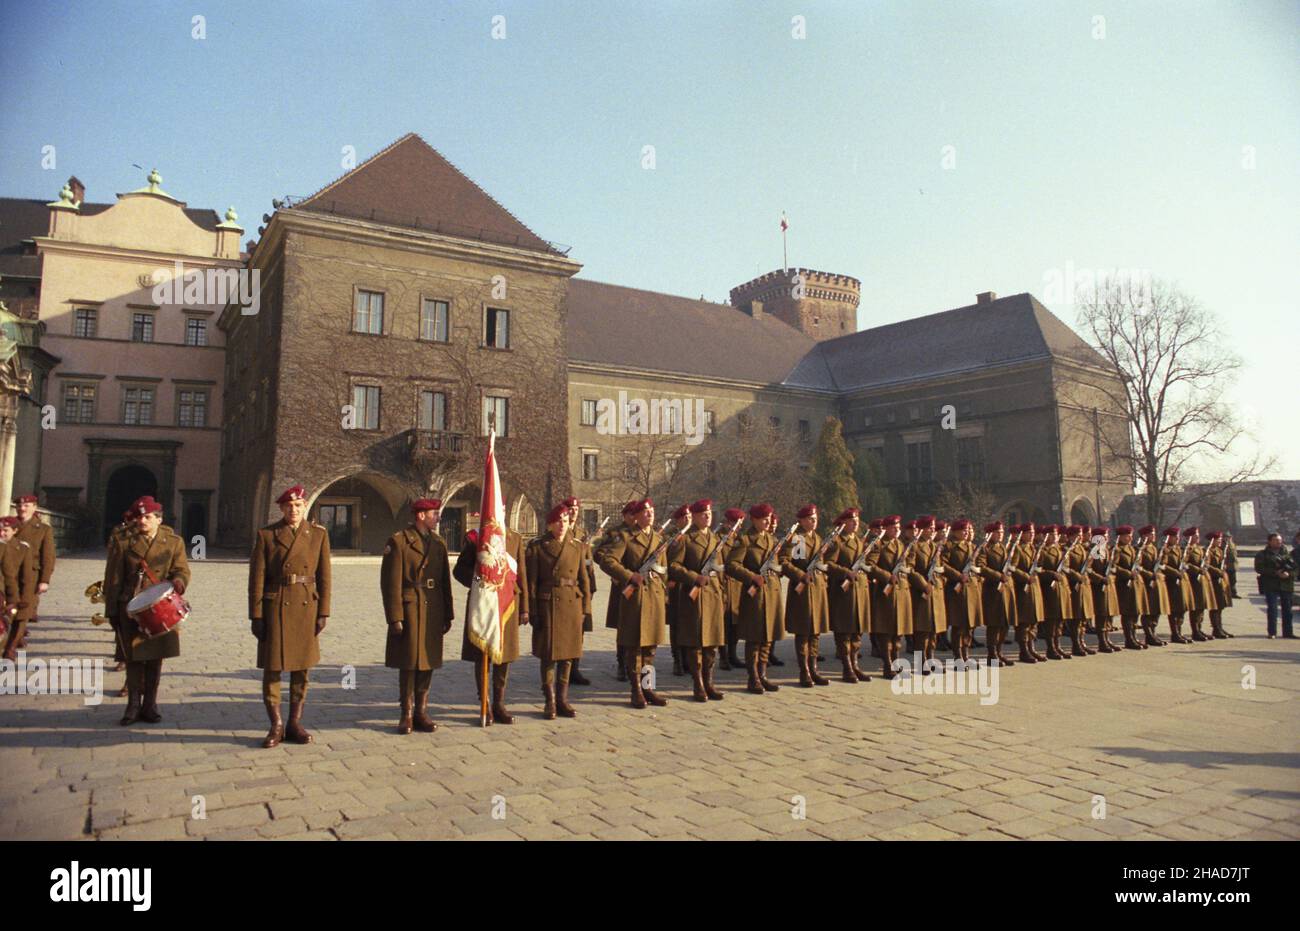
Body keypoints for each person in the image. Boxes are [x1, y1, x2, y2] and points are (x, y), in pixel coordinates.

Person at [248, 485, 330, 747]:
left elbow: (325, 577)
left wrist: (324, 611)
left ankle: (295, 723)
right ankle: (276, 725)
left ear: (305, 506)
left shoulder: (317, 535)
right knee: (272, 670)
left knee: (301, 668)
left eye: (298, 506)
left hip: (306, 607)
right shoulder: (267, 535)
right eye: (288, 507)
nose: (293, 510)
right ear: (281, 509)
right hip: (276, 607)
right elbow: (257, 579)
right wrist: (256, 615)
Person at [105, 496, 189, 726]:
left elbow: (182, 569)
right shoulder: (124, 541)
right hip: (130, 607)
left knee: (155, 658)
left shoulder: (173, 542)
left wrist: (178, 583)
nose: (142, 520)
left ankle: (150, 704)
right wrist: (112, 610)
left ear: (158, 519)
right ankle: (132, 706)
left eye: (148, 517)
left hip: (160, 608)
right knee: (133, 659)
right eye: (140, 516)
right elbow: (113, 577)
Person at [455, 501, 528, 725]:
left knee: (503, 655)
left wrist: (525, 608)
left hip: (507, 604)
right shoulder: (475, 539)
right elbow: (459, 571)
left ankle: (499, 702)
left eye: (502, 511)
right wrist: (480, 580)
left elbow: (521, 574)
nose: (498, 514)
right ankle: (484, 701)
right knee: (482, 654)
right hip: (483, 603)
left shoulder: (514, 538)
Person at [597, 498, 671, 708]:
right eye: (645, 511)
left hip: (654, 597)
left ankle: (649, 687)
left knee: (651, 648)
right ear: (636, 516)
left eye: (652, 510)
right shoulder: (625, 537)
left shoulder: (658, 538)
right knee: (635, 647)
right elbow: (607, 560)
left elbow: (664, 570)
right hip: (636, 598)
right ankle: (635, 690)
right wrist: (629, 576)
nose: (650, 514)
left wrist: (664, 594)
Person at [527, 504, 591, 718]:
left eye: (565, 521)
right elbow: (532, 583)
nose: (562, 525)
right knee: (549, 656)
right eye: (558, 521)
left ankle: (563, 699)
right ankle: (550, 700)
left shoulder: (577, 547)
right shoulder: (538, 547)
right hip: (548, 605)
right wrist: (532, 610)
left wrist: (586, 608)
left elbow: (584, 579)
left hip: (572, 603)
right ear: (549, 524)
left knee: (568, 655)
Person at [667, 499, 727, 701]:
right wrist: (694, 577)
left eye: (709, 513)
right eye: (703, 513)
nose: (708, 516)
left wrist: (722, 593)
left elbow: (720, 569)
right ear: (693, 516)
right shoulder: (685, 539)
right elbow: (673, 567)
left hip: (713, 595)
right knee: (696, 644)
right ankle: (698, 684)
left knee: (712, 644)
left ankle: (709, 682)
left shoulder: (714, 538)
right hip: (694, 598)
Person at [726, 503, 785, 693]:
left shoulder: (771, 539)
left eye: (769, 518)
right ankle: (753, 678)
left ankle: (763, 674)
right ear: (754, 519)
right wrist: (751, 577)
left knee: (767, 639)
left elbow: (776, 565)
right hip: (755, 596)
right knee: (754, 639)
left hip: (772, 593)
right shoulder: (744, 540)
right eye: (764, 519)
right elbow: (732, 565)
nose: (768, 522)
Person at [781, 504, 833, 687]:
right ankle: (804, 671)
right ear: (801, 521)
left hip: (817, 589)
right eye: (810, 518)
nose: (814, 521)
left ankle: (814, 669)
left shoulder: (817, 539)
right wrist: (800, 575)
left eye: (815, 518)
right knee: (803, 633)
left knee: (815, 633)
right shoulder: (799, 539)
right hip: (802, 591)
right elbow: (787, 563)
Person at [825, 508, 873, 682]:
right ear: (843, 522)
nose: (855, 523)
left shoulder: (859, 542)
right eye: (852, 520)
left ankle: (855, 666)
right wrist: (846, 573)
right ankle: (847, 668)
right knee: (844, 633)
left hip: (859, 591)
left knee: (857, 633)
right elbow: (828, 564)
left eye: (857, 520)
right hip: (843, 593)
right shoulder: (837, 541)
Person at [865, 515, 916, 678]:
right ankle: (887, 666)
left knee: (898, 632)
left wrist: (907, 568)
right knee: (886, 632)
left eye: (898, 527)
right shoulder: (878, 544)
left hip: (901, 591)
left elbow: (910, 564)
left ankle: (896, 662)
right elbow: (870, 566)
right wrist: (887, 576)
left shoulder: (901, 544)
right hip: (885, 593)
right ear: (886, 528)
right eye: (893, 527)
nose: (897, 530)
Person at [12, 494, 55, 650]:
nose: (22, 509)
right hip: (7, 573)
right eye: (19, 506)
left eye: (26, 506)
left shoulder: (43, 529)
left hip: (30, 574)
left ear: (34, 508)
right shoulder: (8, 526)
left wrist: (44, 580)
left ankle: (13, 642)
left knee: (24, 607)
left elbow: (48, 556)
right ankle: (14, 636)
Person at [562, 496, 595, 685]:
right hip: (566, 587)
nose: (574, 511)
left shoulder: (582, 533)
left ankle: (574, 669)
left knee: (578, 632)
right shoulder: (560, 530)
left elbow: (588, 560)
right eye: (570, 508)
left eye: (576, 508)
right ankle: (562, 671)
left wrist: (591, 583)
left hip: (581, 587)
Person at [976, 521, 1017, 666]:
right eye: (997, 532)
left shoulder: (1003, 548)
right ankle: (992, 655)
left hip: (1005, 590)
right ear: (990, 533)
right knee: (994, 624)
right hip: (992, 590)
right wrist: (998, 576)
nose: (1001, 534)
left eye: (1001, 532)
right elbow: (981, 567)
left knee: (1005, 624)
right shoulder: (984, 548)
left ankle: (999, 652)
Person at [0, 516, 36, 661]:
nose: (1, 533)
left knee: (18, 619)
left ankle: (10, 648)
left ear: (15, 531)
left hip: (11, 591)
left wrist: (18, 598)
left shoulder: (22, 548)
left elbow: (22, 576)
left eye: (5, 530)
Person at [1111, 525, 1149, 650]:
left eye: (1131, 536)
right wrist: (1127, 573)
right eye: (1127, 536)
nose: (1130, 538)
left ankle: (1134, 636)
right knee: (1128, 614)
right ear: (1120, 537)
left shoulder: (1132, 549)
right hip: (1124, 586)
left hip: (1136, 584)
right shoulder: (1117, 550)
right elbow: (1113, 567)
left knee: (1135, 612)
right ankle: (1129, 639)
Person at [1253, 533, 1295, 639]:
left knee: (1287, 610)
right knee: (1272, 609)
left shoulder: (1287, 554)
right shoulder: (1262, 554)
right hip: (1270, 585)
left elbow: (1295, 568)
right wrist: (1275, 573)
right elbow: (1259, 568)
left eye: (1280, 540)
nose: (1279, 542)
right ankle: (1272, 632)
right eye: (1276, 540)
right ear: (1269, 541)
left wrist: (1289, 574)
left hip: (1286, 585)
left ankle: (1288, 632)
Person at [1136, 525, 1169, 647]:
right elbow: (1138, 567)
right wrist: (1149, 575)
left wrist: (1164, 554)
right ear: (1144, 536)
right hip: (1146, 583)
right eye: (1151, 534)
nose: (1153, 536)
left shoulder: (1154, 549)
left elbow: (1159, 563)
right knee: (1148, 611)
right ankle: (1149, 634)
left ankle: (1153, 633)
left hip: (1156, 583)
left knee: (1156, 610)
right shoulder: (1140, 549)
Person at [1204, 531, 1234, 639]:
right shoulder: (1208, 551)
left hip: (1221, 581)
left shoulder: (1220, 551)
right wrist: (1218, 571)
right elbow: (1207, 565)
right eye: (1218, 540)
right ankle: (1216, 628)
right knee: (1215, 606)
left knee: (1221, 605)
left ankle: (1220, 627)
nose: (1220, 541)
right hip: (1213, 581)